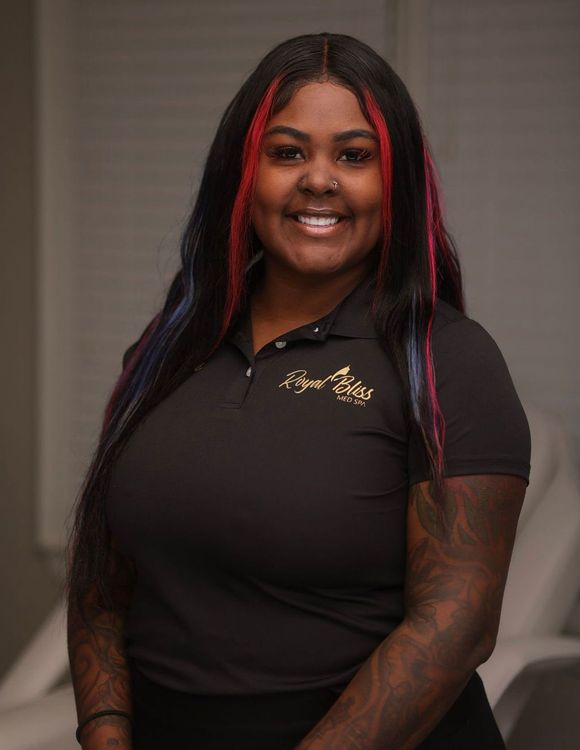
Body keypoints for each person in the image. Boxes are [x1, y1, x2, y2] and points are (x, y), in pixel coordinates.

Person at [65, 32, 531, 750]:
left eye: (354, 155)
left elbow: (455, 625)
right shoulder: (166, 348)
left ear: (395, 182)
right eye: (287, 152)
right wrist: (104, 732)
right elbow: (102, 575)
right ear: (242, 175)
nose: (319, 179)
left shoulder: (448, 361)